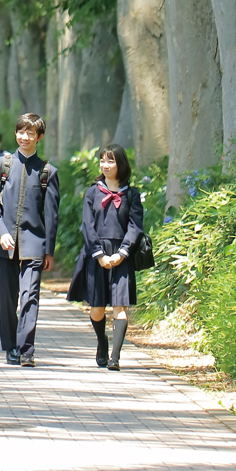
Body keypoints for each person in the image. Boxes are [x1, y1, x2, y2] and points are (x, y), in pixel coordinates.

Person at [0, 112, 59, 368]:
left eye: (30, 133)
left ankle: (26, 349)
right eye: (20, 131)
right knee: (7, 295)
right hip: (3, 241)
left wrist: (48, 250)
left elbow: (51, 215)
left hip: (34, 242)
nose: (24, 137)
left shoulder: (48, 171)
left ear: (39, 137)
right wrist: (1, 232)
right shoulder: (0, 165)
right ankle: (10, 347)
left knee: (30, 296)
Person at [66, 144, 143, 372]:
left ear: (121, 164)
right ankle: (102, 343)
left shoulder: (132, 194)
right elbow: (87, 225)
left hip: (122, 253)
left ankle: (115, 357)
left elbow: (135, 226)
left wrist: (122, 253)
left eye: (110, 161)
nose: (105, 165)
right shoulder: (92, 192)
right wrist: (100, 254)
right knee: (97, 308)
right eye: (102, 161)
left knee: (120, 306)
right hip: (95, 254)